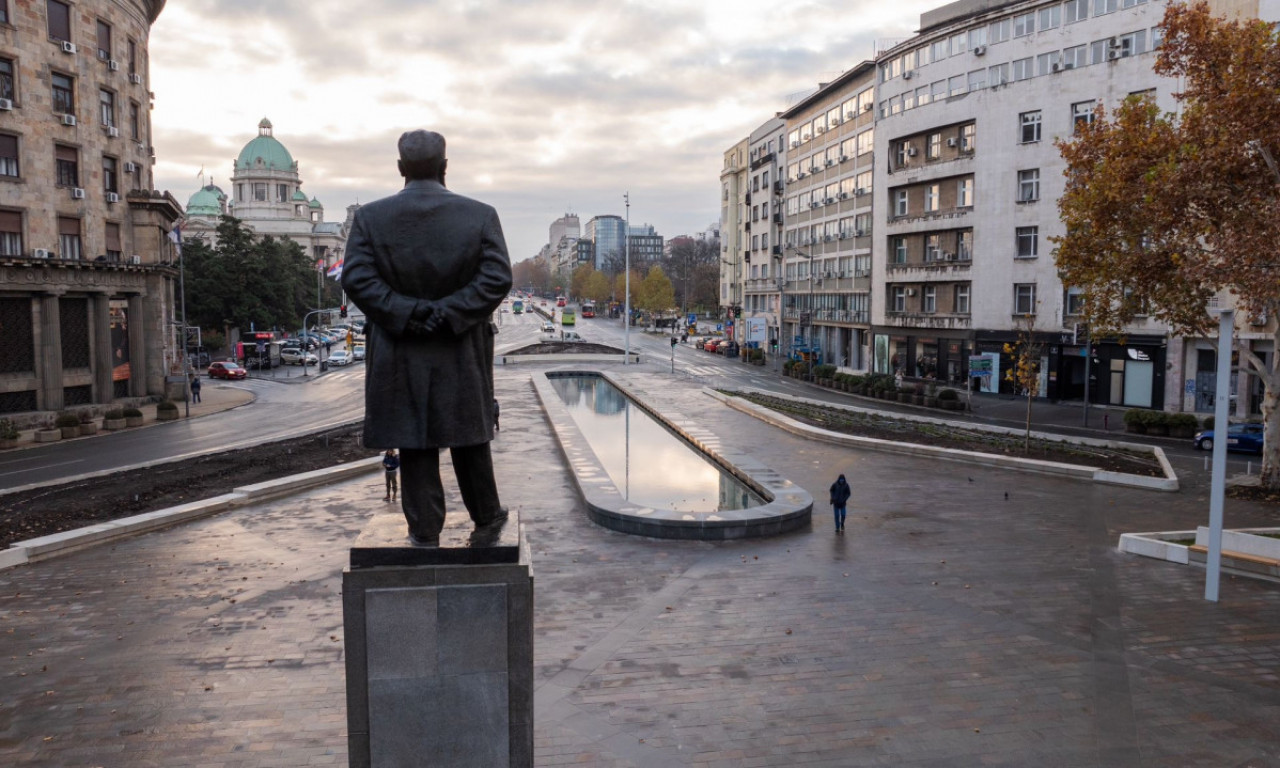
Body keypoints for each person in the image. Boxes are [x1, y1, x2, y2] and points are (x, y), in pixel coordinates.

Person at [342, 130, 513, 547]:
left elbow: (357, 279)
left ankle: (424, 529)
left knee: (414, 437)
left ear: (400, 169)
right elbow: (497, 279)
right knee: (469, 436)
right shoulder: (480, 215)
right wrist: (448, 313)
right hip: (461, 348)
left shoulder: (370, 218)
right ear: (445, 167)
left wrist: (409, 313)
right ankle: (487, 517)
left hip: (399, 349)